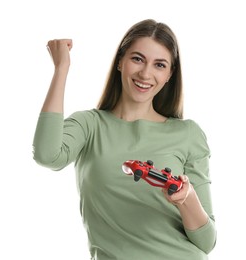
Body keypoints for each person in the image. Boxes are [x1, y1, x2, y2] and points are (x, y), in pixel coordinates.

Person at [33, 19, 216, 260]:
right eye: (137, 59)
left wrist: (187, 199)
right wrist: (61, 69)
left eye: (159, 65)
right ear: (120, 61)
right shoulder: (90, 125)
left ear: (170, 74)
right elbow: (47, 155)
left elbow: (206, 242)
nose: (145, 73)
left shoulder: (188, 134)